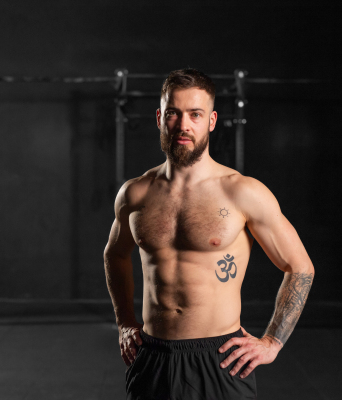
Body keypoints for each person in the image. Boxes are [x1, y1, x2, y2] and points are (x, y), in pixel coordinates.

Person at [103, 68, 315, 400]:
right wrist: (125, 323)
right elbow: (114, 255)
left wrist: (273, 341)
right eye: (173, 113)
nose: (183, 125)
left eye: (195, 114)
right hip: (152, 357)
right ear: (160, 117)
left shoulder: (242, 192)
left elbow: (300, 267)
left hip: (219, 361)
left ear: (212, 121)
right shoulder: (135, 193)